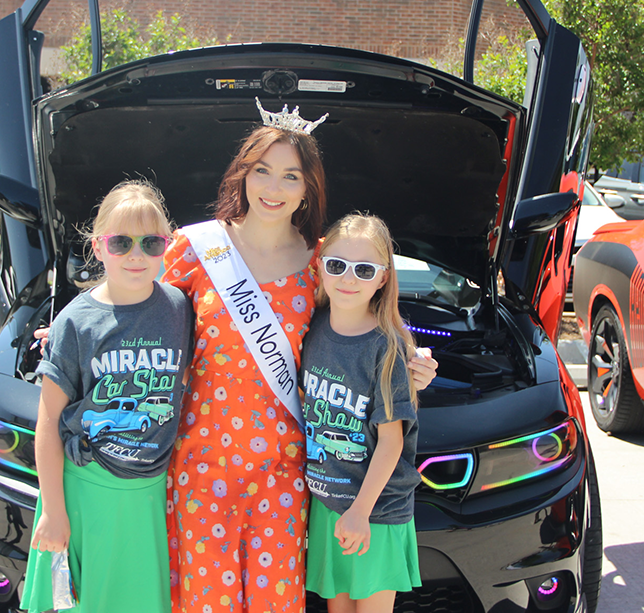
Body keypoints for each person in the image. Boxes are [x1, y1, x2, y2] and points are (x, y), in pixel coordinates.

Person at [161, 100, 437, 613]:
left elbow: (374, 322)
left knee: (274, 603)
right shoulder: (195, 248)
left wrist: (414, 364)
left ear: (308, 187)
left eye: (290, 176)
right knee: (207, 601)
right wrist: (82, 324)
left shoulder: (320, 263)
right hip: (200, 466)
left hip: (284, 469)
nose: (274, 187)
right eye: (262, 171)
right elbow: (141, 311)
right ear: (242, 175)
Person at [20, 180, 193, 613]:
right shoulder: (76, 322)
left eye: (151, 243)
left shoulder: (180, 308)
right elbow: (47, 424)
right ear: (98, 248)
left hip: (151, 493)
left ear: (167, 248)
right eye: (121, 242)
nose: (137, 255)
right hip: (87, 492)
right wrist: (54, 512)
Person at [301, 214, 421, 613]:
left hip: (374, 511)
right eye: (337, 265)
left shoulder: (385, 348)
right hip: (330, 505)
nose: (348, 279)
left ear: (383, 278)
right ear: (319, 264)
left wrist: (359, 513)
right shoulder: (311, 329)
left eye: (364, 269)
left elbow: (391, 442)